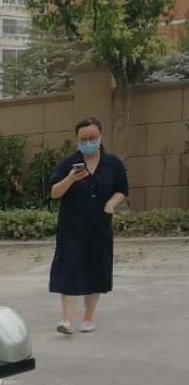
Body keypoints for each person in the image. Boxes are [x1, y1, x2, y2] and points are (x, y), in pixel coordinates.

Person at [48, 116, 128, 334]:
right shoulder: (68, 163)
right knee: (69, 267)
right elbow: (54, 192)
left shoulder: (113, 163)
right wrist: (71, 178)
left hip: (99, 225)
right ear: (78, 139)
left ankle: (88, 318)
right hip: (71, 226)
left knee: (95, 267)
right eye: (83, 139)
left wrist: (111, 204)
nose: (88, 142)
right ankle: (66, 320)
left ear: (100, 136)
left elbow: (122, 189)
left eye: (92, 137)